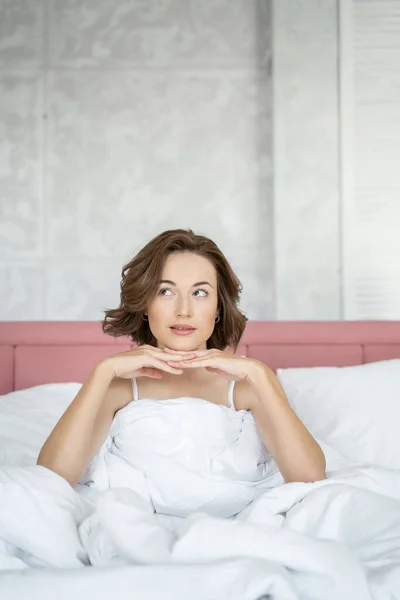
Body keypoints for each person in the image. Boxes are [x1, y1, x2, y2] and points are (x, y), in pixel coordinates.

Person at [37, 229, 326, 498]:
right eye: (166, 291)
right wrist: (101, 373)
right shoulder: (118, 387)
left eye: (200, 293)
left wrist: (260, 374)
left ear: (217, 309)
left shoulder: (250, 384)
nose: (183, 311)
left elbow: (310, 478)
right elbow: (52, 477)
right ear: (146, 306)